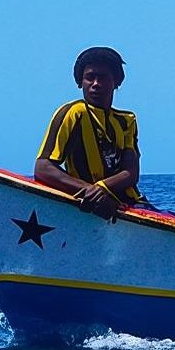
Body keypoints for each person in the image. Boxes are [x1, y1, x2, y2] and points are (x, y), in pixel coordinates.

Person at [35, 46, 143, 221]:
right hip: (91, 204)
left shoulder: (127, 120)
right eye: (89, 78)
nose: (95, 84)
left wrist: (101, 188)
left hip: (132, 205)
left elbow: (131, 173)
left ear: (116, 82)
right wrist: (89, 192)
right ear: (80, 82)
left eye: (102, 78)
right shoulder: (73, 113)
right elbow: (43, 168)